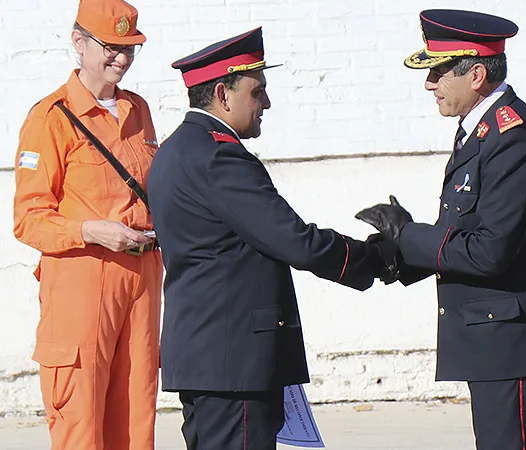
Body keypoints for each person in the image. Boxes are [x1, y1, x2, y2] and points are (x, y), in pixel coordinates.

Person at [146, 27, 396, 450]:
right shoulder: (218, 156)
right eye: (257, 92)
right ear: (223, 95)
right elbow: (295, 240)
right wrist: (377, 259)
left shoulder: (176, 150)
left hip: (208, 355)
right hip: (234, 361)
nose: (266, 103)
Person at [355, 9, 526, 450]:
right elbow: (462, 230)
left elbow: (490, 251)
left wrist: (407, 235)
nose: (429, 84)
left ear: (476, 75)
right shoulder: (480, 133)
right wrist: (398, 256)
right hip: (496, 342)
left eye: (438, 72)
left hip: (513, 344)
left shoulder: (513, 138)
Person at [12, 0, 161, 449]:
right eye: (110, 47)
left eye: (129, 48)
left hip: (142, 276)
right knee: (80, 419)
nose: (121, 58)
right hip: (82, 277)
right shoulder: (51, 118)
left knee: (136, 418)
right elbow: (28, 220)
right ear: (79, 42)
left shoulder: (138, 110)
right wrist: (90, 230)